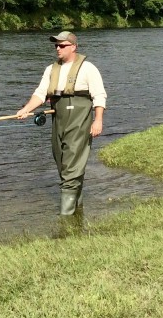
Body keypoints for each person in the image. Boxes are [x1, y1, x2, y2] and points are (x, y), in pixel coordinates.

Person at [15, 31, 106, 222]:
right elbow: (40, 94)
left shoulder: (88, 68)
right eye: (56, 45)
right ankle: (77, 213)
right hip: (59, 121)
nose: (57, 48)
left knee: (71, 168)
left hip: (80, 121)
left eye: (62, 45)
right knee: (62, 162)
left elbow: (99, 95)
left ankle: (65, 221)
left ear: (73, 47)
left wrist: (97, 121)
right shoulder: (50, 69)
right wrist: (25, 109)